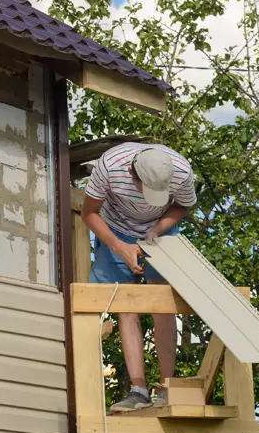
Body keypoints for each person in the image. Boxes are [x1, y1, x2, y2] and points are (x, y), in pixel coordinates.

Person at [81, 142, 197, 413]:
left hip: (159, 233)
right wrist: (120, 248)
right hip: (115, 230)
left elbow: (182, 206)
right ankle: (138, 390)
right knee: (126, 305)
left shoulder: (180, 171)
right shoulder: (109, 167)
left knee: (162, 304)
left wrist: (155, 231)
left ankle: (166, 388)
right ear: (134, 177)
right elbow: (89, 213)